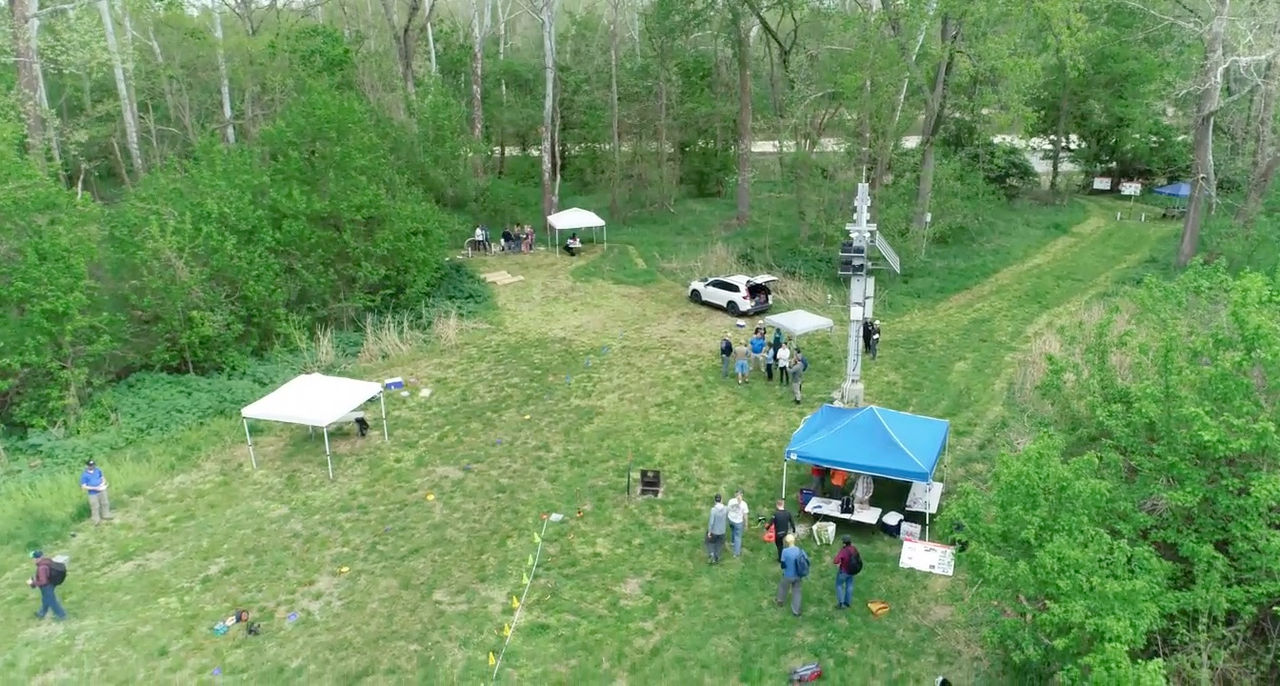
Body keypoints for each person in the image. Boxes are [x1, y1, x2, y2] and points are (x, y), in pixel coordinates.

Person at [28, 551, 66, 621]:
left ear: (37, 558)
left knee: (52, 602)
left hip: (47, 587)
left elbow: (43, 581)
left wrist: (32, 583)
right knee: (45, 600)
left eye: (33, 558)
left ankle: (62, 616)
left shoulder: (42, 567)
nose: (33, 560)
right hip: (50, 584)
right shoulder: (47, 562)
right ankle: (41, 614)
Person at [776, 534, 806, 617]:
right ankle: (796, 611)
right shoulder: (799, 550)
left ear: (786, 542)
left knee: (783, 587)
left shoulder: (785, 551)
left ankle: (780, 601)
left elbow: (783, 565)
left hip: (788, 575)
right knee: (797, 592)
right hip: (798, 575)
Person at [833, 535, 861, 609]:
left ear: (844, 543)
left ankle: (841, 604)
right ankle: (847, 603)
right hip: (852, 571)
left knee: (838, 585)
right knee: (849, 586)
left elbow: (836, 561)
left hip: (844, 571)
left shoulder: (844, 551)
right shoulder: (854, 549)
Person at [80, 459, 112, 524]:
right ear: (87, 466)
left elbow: (102, 477)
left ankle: (106, 515)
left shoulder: (98, 470)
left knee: (105, 503)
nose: (92, 466)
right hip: (93, 493)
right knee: (95, 506)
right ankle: (96, 520)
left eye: (93, 465)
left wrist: (103, 483)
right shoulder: (84, 475)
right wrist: (95, 488)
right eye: (90, 465)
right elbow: (84, 486)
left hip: (102, 489)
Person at [705, 494, 728, 564]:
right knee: (719, 544)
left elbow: (711, 522)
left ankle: (712, 554)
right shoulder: (725, 509)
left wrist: (709, 531)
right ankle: (717, 557)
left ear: (715, 501)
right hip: (722, 531)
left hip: (714, 531)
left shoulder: (713, 510)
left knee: (710, 542)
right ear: (721, 500)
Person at [726, 489, 749, 558]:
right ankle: (736, 553)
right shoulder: (744, 504)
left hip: (730, 519)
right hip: (738, 522)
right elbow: (745, 515)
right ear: (742, 495)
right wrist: (746, 524)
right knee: (738, 537)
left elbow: (728, 509)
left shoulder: (731, 501)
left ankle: (733, 542)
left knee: (733, 530)